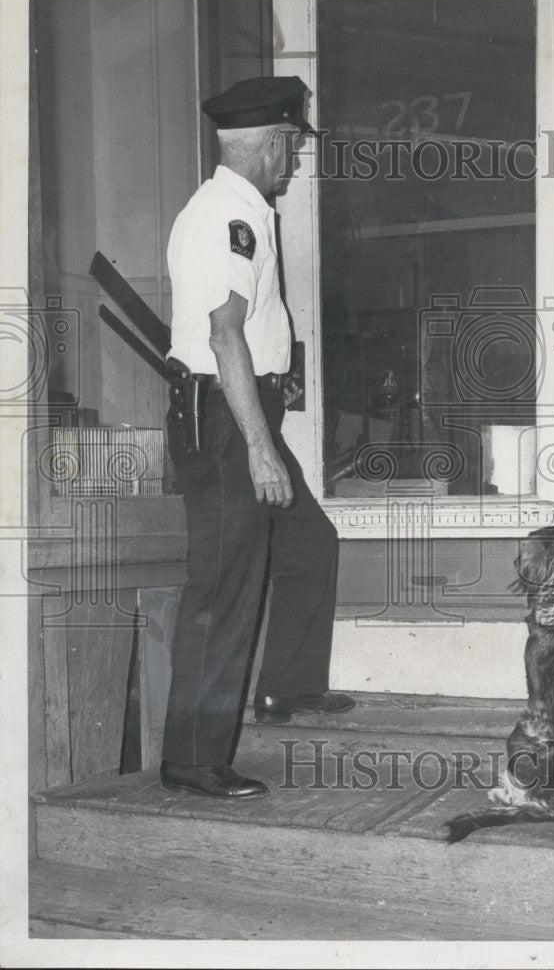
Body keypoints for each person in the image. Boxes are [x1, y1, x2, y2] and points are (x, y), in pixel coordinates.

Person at [160, 76, 355, 800]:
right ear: (271, 141)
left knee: (309, 544)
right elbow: (223, 334)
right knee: (224, 587)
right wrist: (260, 446)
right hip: (224, 423)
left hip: (244, 410)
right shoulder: (226, 217)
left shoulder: (245, 209)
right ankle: (192, 757)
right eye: (294, 146)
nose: (297, 161)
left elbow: (247, 330)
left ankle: (288, 688)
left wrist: (276, 391)